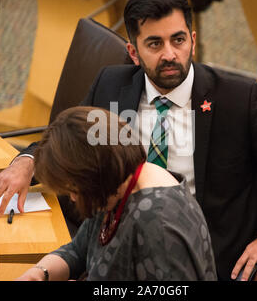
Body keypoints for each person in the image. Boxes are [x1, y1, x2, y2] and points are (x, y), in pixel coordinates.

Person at [0, 0, 257, 281]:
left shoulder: (236, 101)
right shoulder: (111, 85)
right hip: (107, 236)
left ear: (193, 41)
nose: (170, 54)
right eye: (154, 43)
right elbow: (67, 140)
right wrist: (28, 160)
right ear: (133, 52)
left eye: (178, 40)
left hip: (195, 257)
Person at [16, 106, 217, 281]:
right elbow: (78, 250)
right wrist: (40, 272)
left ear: (95, 173)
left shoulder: (157, 220)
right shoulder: (116, 188)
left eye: (74, 189)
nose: (74, 198)